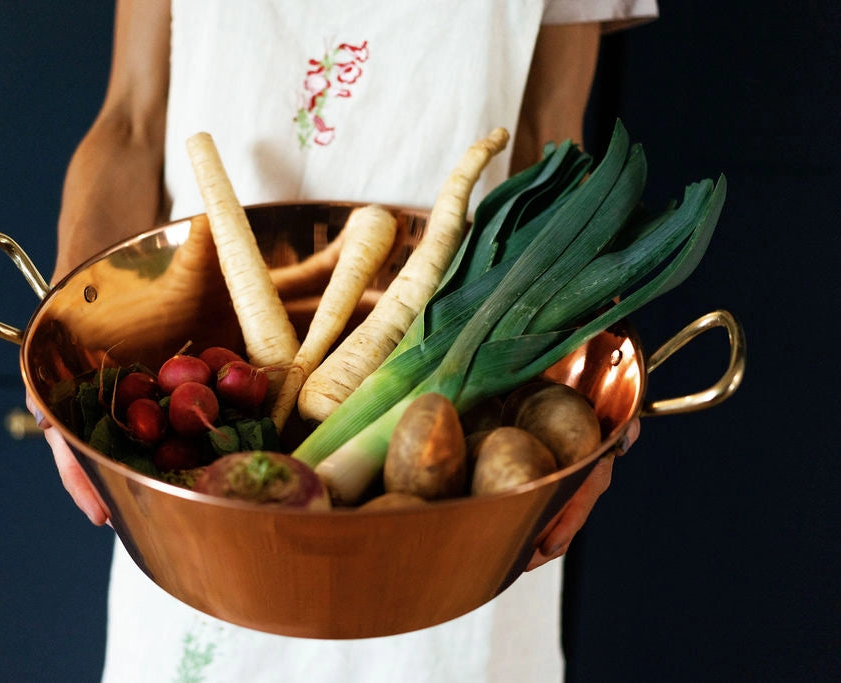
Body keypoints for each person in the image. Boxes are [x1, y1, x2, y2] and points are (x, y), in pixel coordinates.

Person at [33, 1, 657, 680]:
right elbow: (131, 122)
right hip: (202, 487)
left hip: (462, 480)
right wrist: (71, 338)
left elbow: (547, 140)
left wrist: (594, 408)